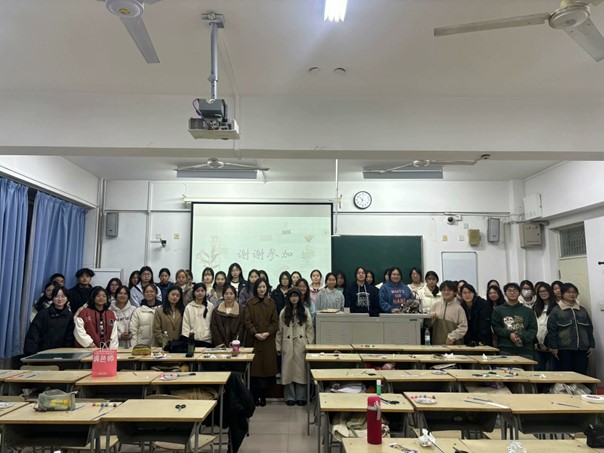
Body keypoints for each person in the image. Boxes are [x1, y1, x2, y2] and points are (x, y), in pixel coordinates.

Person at [243, 278, 278, 407]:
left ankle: (263, 396)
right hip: (254, 340)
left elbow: (275, 322)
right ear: (255, 289)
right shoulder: (249, 303)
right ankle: (254, 396)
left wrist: (268, 332)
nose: (262, 289)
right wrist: (255, 333)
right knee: (254, 370)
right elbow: (247, 321)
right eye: (259, 287)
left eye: (264, 287)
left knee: (266, 369)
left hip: (268, 340)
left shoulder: (271, 303)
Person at [276, 287, 314, 406]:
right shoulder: (284, 311)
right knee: (288, 371)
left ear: (299, 297)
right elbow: (279, 330)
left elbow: (309, 329)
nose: (294, 298)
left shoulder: (305, 310)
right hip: (287, 344)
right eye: (291, 296)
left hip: (301, 344)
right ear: (289, 298)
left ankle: (301, 397)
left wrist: (309, 345)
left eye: (296, 296)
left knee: (301, 371)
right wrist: (278, 346)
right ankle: (289, 397)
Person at [547, 283, 595, 375]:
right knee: (566, 375)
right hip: (564, 349)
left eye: (574, 292)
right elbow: (552, 330)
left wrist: (591, 345)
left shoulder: (582, 310)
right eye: (568, 292)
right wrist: (554, 347)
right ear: (562, 294)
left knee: (581, 375)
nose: (572, 294)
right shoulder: (556, 310)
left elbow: (589, 329)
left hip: (582, 348)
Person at [491, 283, 538, 359]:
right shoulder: (498, 310)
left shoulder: (528, 311)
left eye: (515, 291)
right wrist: (509, 334)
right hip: (506, 348)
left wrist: (521, 337)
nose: (512, 293)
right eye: (509, 291)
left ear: (519, 293)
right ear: (505, 294)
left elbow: (533, 329)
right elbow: (496, 328)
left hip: (525, 349)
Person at [24, 286, 74, 355]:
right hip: (42, 351)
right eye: (56, 296)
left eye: (63, 296)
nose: (60, 299)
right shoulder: (43, 313)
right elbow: (33, 333)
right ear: (52, 298)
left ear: (67, 298)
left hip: (61, 353)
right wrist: (31, 353)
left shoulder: (69, 315)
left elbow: (69, 337)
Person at [428, 281, 468, 345]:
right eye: (444, 290)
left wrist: (452, 337)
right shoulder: (435, 305)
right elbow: (427, 324)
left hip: (454, 345)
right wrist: (431, 318)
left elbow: (463, 327)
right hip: (437, 343)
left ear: (454, 292)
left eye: (449, 290)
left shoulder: (459, 308)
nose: (446, 292)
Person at [182, 282, 214, 347]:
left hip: (208, 340)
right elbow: (185, 326)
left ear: (205, 292)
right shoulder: (189, 307)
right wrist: (187, 339)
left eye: (202, 291)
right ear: (194, 292)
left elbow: (213, 324)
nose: (200, 293)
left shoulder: (210, 306)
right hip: (193, 341)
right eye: (197, 291)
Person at [533, 282, 556, 371]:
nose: (543, 293)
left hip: (551, 345)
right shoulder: (535, 307)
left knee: (552, 370)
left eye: (545, 291)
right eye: (540, 292)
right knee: (538, 369)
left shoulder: (556, 307)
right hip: (537, 345)